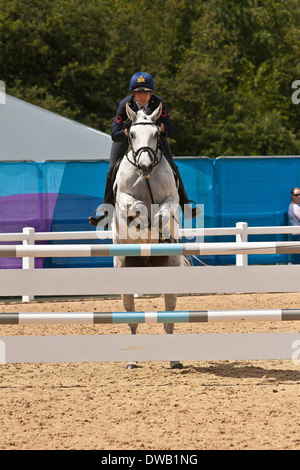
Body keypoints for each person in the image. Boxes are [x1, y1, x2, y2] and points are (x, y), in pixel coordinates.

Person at [89, 71, 199, 226]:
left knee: (172, 165)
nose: (142, 96)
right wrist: (128, 131)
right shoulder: (124, 105)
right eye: (139, 93)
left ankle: (185, 205)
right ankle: (107, 213)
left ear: (151, 93)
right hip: (128, 139)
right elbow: (115, 133)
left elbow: (171, 130)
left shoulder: (158, 103)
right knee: (113, 167)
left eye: (146, 92)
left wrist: (158, 128)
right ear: (133, 94)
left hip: (152, 139)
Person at [288, 187, 300, 264]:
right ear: (292, 196)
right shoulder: (294, 207)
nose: (298, 196)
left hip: (296, 235)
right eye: (296, 195)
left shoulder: (293, 206)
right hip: (298, 235)